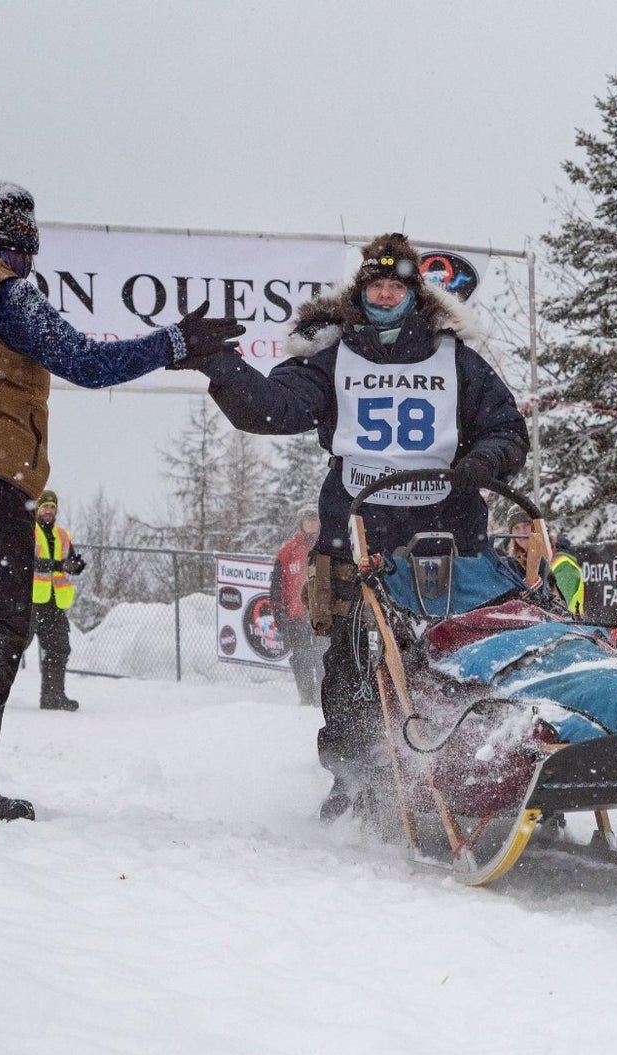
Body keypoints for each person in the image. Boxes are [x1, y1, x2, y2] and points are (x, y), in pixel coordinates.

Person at [0, 182, 243, 821]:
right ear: (17, 243)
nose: (31, 264)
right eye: (28, 250)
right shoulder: (3, 291)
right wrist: (175, 343)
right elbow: (85, 361)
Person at [179, 233, 528, 820]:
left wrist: (484, 460)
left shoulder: (455, 358)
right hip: (359, 527)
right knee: (350, 656)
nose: (384, 294)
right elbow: (275, 408)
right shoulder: (333, 355)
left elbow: (506, 426)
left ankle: (467, 764)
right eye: (374, 285)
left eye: (395, 285)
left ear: (414, 294)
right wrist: (221, 365)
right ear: (360, 291)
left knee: (451, 648)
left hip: (445, 529)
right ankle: (353, 775)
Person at [28, 490, 86, 711]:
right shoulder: (29, 531)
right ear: (37, 509)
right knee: (11, 650)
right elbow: (26, 561)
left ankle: (53, 697)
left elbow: (68, 561)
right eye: (45, 507)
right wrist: (59, 565)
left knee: (59, 650)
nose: (49, 511)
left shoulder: (62, 535)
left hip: (54, 603)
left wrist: (75, 566)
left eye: (52, 507)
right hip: (29, 603)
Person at [272, 506, 325, 705]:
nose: (311, 524)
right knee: (302, 659)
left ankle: (323, 699)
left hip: (322, 615)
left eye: (314, 520)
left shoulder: (326, 546)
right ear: (300, 524)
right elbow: (277, 587)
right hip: (296, 616)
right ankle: (306, 698)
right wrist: (279, 613)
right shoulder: (287, 552)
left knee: (323, 657)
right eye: (307, 520)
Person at [504, 511, 583, 615]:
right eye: (516, 528)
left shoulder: (561, 563)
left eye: (526, 525)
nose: (521, 531)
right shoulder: (512, 565)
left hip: (567, 626)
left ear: (538, 529)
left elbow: (561, 605)